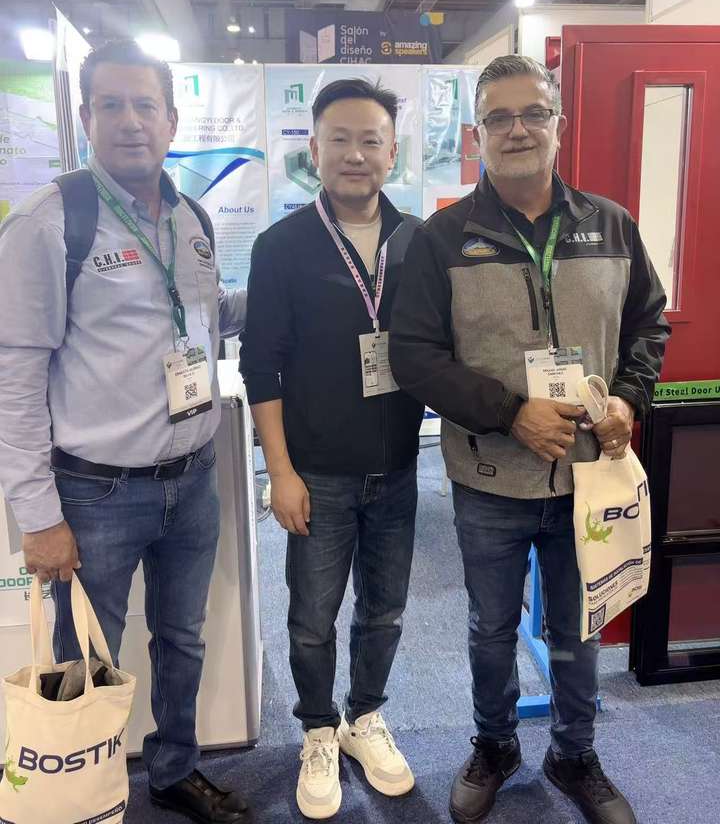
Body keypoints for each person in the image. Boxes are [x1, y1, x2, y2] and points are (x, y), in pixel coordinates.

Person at [389, 55, 670, 824]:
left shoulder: (610, 225)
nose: (518, 130)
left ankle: (575, 753)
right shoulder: (442, 238)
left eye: (533, 114)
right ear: (476, 136)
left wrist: (629, 397)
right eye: (499, 118)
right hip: (491, 479)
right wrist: (509, 412)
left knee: (582, 626)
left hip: (591, 477)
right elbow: (414, 356)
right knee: (490, 628)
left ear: (558, 125)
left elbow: (649, 322)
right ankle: (495, 744)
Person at [0, 40, 250, 824]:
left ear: (172, 119)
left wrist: (293, 290)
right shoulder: (51, 221)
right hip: (94, 494)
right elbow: (15, 374)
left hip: (192, 480)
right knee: (86, 656)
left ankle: (174, 771)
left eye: (146, 105)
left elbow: (207, 318)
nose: (131, 121)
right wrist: (36, 515)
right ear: (86, 117)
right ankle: (84, 796)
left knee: (182, 639)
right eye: (112, 105)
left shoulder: (190, 216)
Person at [241, 79, 423, 819]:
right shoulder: (282, 246)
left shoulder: (417, 240)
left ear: (392, 152)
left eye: (370, 140)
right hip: (316, 473)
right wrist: (280, 472)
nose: (355, 154)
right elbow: (261, 367)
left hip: (400, 469)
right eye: (339, 140)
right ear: (313, 151)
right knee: (313, 617)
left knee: (385, 611)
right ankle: (318, 730)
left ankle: (365, 718)